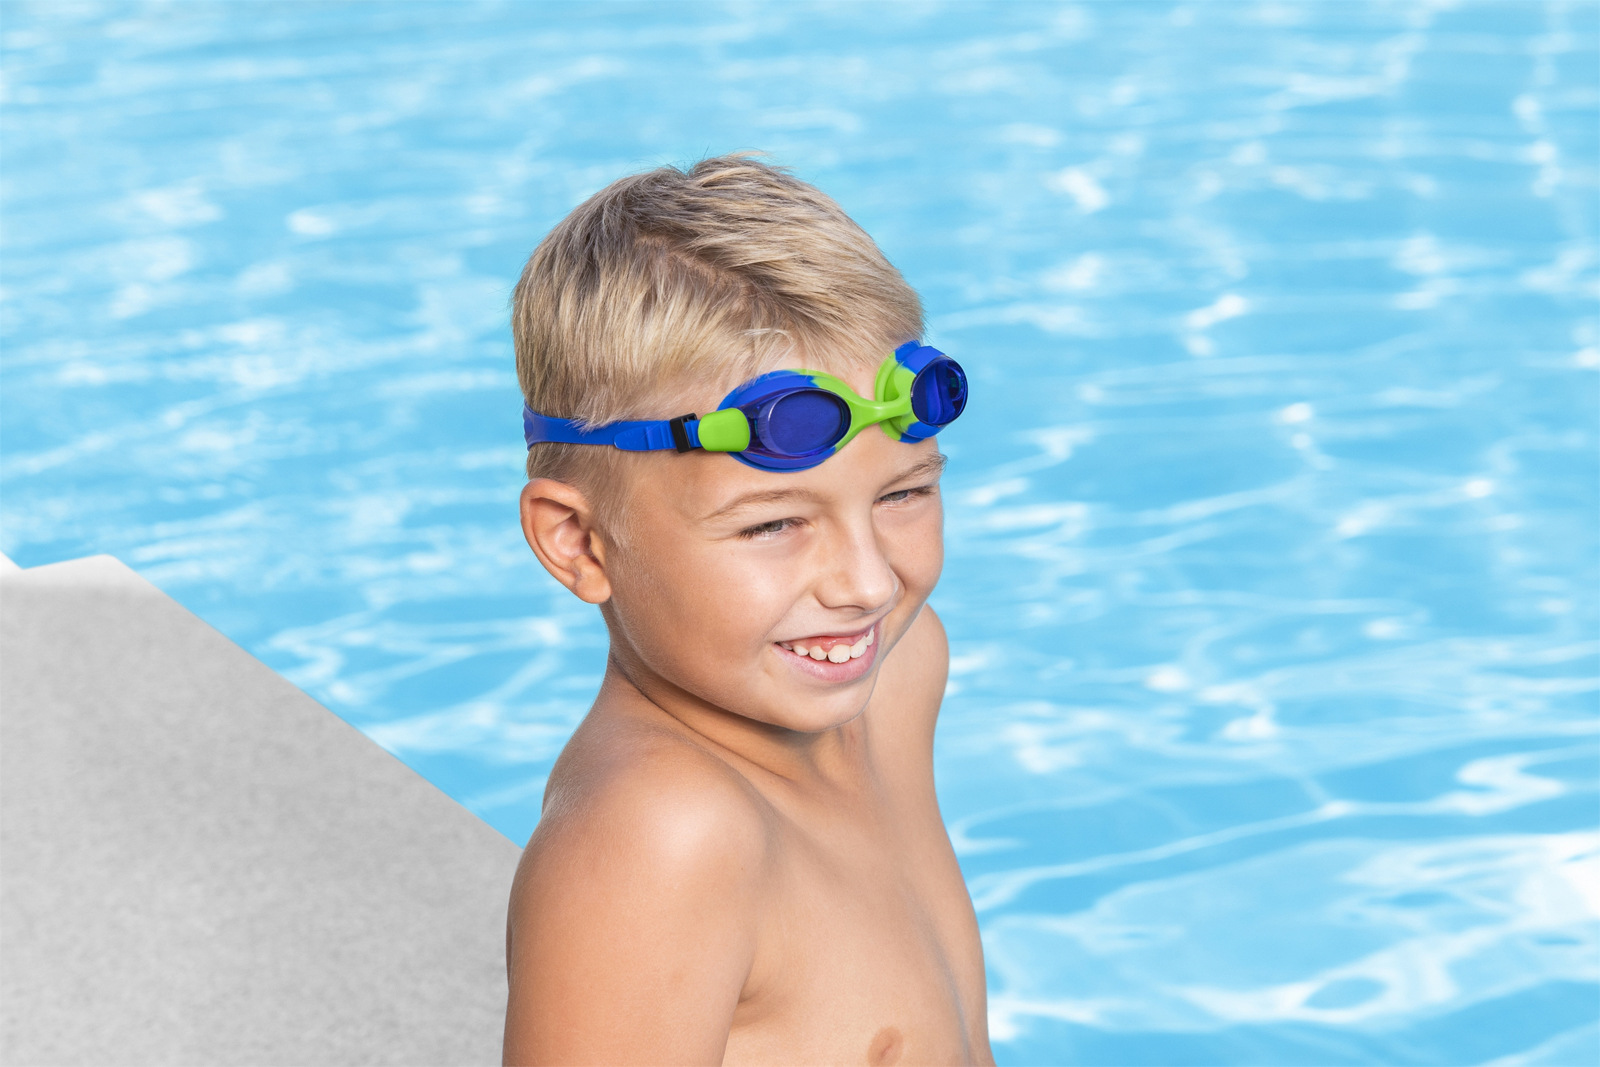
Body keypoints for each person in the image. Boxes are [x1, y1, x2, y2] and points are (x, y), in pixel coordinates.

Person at [502, 153, 992, 1066]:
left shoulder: (900, 673)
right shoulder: (661, 835)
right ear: (580, 541)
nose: (868, 584)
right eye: (773, 524)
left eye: (903, 494)